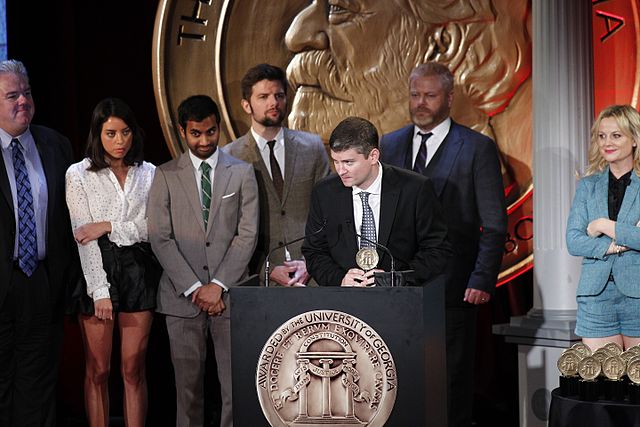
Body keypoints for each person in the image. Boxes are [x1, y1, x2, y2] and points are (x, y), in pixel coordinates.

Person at [284, 0, 531, 193]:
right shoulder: (360, 170)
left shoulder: (478, 159)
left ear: (443, 45)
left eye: (339, 9)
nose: (295, 37)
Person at [380, 62, 507, 427]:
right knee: (398, 377)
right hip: (397, 288)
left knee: (449, 381)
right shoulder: (389, 144)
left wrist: (482, 280)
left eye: (430, 96)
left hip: (453, 289)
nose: (420, 103)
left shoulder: (476, 148)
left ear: (449, 98)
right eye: (415, 95)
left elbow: (495, 224)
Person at [148, 95, 258, 427]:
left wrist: (218, 285)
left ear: (218, 127)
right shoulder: (165, 175)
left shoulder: (241, 172)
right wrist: (196, 288)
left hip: (229, 297)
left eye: (211, 132)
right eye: (196, 133)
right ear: (183, 131)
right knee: (188, 392)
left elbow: (247, 234)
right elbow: (160, 237)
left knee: (234, 389)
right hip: (182, 300)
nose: (205, 141)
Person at [65, 98, 160, 427]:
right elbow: (82, 236)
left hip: (139, 270)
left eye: (125, 132)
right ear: (97, 134)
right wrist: (99, 290)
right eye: (110, 134)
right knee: (99, 370)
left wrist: (108, 226)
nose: (120, 141)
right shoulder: (78, 174)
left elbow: (155, 228)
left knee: (133, 369)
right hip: (96, 270)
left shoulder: (149, 172)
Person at [0, 59, 77, 426]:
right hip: (1, 283)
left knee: (37, 386)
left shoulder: (56, 145)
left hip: (40, 283)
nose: (23, 102)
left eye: (26, 93)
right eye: (11, 95)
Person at [301, 116, 451, 288]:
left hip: (400, 302)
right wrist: (340, 279)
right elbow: (314, 251)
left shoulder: (415, 189)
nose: (340, 170)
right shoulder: (324, 193)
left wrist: (398, 278)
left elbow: (438, 250)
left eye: (348, 162)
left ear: (373, 156)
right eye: (336, 161)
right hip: (344, 303)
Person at [223, 63, 329, 286]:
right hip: (262, 280)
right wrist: (267, 269)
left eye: (278, 95)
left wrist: (311, 262)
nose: (273, 102)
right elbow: (228, 228)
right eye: (263, 97)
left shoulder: (312, 147)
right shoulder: (229, 157)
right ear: (246, 105)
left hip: (312, 275)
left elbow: (329, 212)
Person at [566, 104, 640, 351]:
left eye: (616, 135)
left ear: (634, 140)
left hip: (637, 296)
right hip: (596, 297)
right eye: (602, 136)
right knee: (599, 384)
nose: (607, 142)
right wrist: (617, 243)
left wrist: (602, 225)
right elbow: (573, 240)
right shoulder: (588, 186)